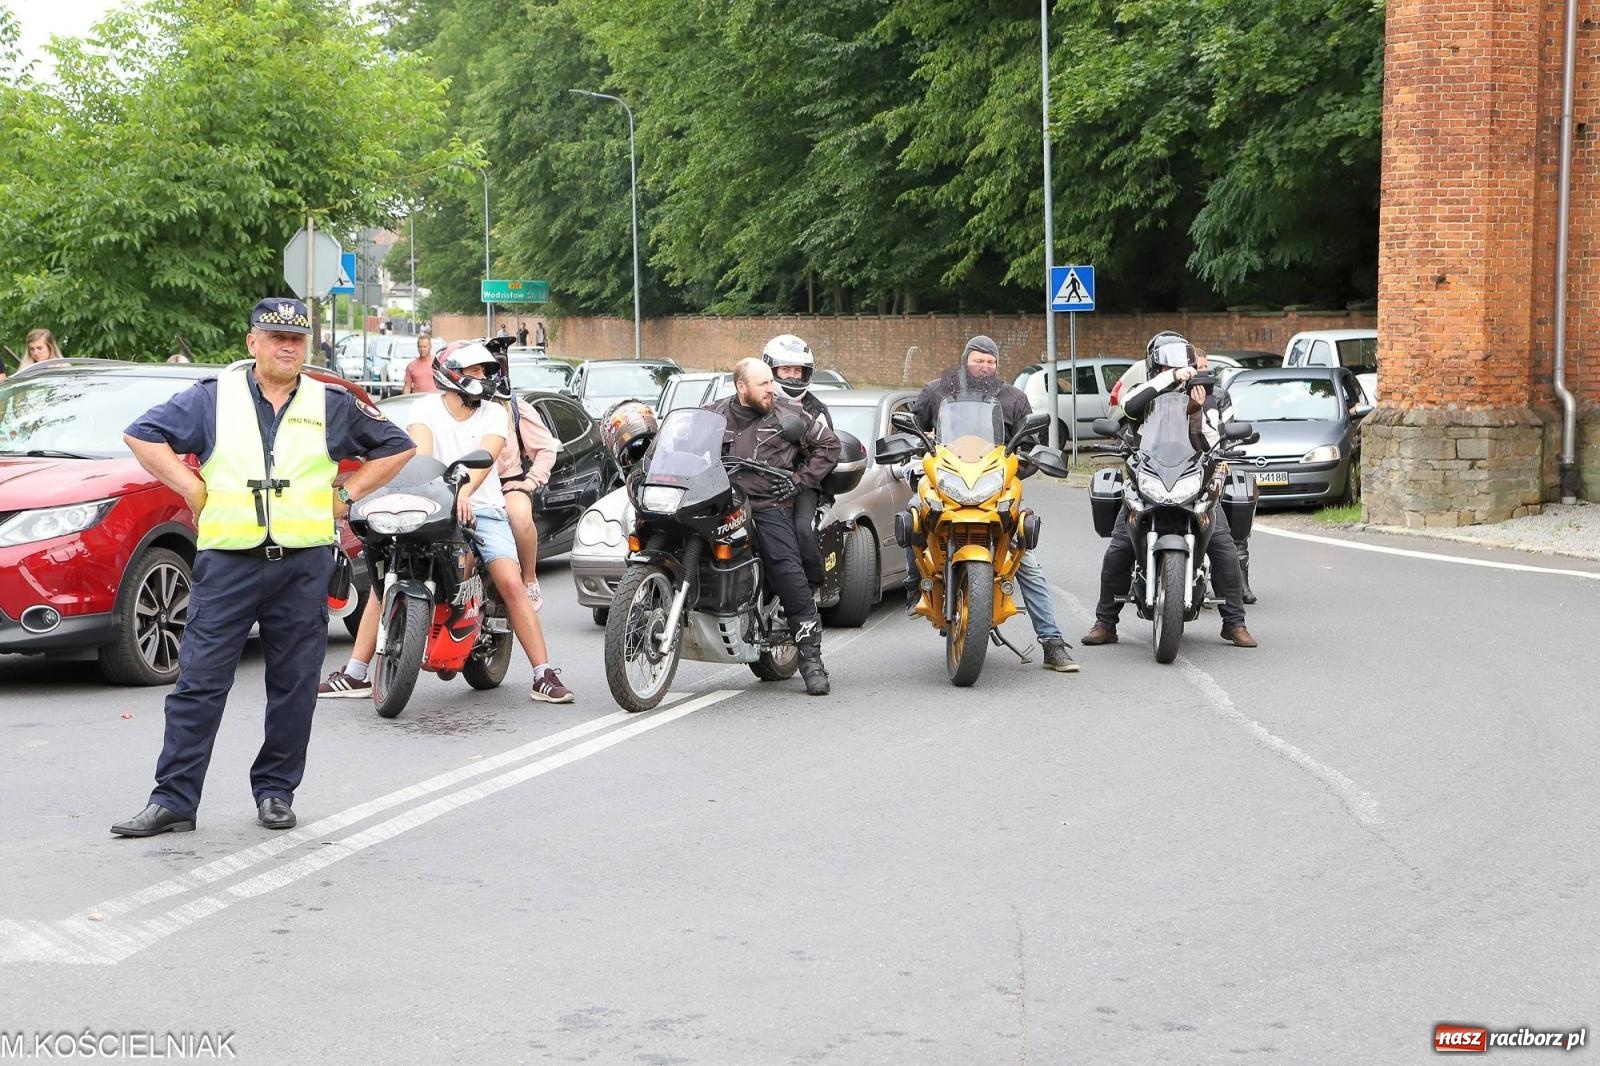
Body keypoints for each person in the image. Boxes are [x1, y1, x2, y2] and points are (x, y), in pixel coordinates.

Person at [110, 298, 416, 838]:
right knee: (199, 685)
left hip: (301, 565)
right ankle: (174, 800)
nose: (286, 346)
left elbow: (396, 447)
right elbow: (141, 433)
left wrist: (346, 494)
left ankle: (276, 792)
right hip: (227, 563)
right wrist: (188, 485)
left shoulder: (332, 402)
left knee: (293, 686)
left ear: (307, 346)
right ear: (253, 342)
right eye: (275, 337)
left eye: (296, 339)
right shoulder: (214, 397)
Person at [320, 342, 575, 704]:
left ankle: (543, 674)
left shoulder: (495, 413)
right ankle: (356, 673)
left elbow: (484, 459)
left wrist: (463, 494)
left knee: (509, 581)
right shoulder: (425, 408)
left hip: (482, 507)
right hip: (429, 505)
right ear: (451, 374)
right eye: (473, 372)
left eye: (485, 372)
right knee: (383, 582)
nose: (482, 378)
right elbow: (421, 457)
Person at [907, 335, 1079, 674]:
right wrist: (913, 455)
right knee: (913, 514)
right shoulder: (937, 390)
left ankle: (1052, 642)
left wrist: (1017, 468)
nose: (984, 366)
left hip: (993, 489)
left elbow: (1029, 444)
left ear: (997, 365)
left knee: (1026, 559)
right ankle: (916, 587)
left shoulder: (1013, 398)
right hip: (947, 483)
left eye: (990, 361)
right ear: (965, 360)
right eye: (978, 360)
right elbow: (915, 428)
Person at [1082, 331, 1257, 648]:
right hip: (1148, 478)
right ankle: (1105, 622)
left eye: (1180, 368)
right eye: (1165, 369)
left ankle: (1234, 623)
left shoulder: (1207, 396)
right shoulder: (1143, 396)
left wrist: (1197, 411)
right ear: (1154, 369)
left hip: (1193, 480)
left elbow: (1212, 440)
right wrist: (1170, 379)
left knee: (1225, 549)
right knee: (1119, 549)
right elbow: (1129, 406)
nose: (1176, 375)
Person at [706, 359, 841, 696]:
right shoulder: (713, 413)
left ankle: (811, 658)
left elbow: (830, 446)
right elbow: (683, 442)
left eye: (771, 382)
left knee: (785, 567)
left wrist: (800, 480)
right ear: (741, 387)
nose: (771, 389)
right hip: (720, 501)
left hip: (766, 504)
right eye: (763, 384)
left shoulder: (788, 414)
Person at [492, 343, 561, 610]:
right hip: (469, 487)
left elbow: (546, 448)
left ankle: (530, 578)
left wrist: (530, 481)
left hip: (508, 483)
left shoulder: (515, 407)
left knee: (520, 518)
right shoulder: (459, 407)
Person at [761, 334, 832, 591]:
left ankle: (810, 586)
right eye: (785, 369)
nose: (792, 376)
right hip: (759, 480)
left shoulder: (815, 409)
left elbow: (828, 451)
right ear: (771, 370)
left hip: (801, 484)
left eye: (798, 371)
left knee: (802, 528)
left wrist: (800, 480)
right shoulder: (759, 402)